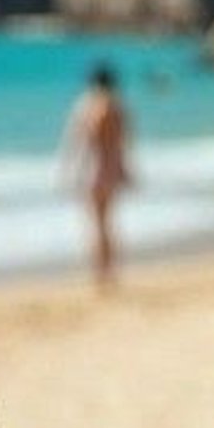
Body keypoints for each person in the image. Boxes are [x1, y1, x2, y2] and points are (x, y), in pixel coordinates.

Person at [60, 63, 133, 287]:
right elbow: (123, 143)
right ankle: (108, 271)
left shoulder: (95, 104)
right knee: (106, 223)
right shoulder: (119, 106)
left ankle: (102, 273)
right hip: (111, 169)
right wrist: (125, 168)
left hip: (95, 170)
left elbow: (90, 135)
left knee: (98, 224)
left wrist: (71, 166)